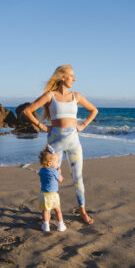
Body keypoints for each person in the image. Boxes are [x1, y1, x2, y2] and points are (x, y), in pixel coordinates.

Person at [23, 65, 98, 224]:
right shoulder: (50, 95)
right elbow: (28, 110)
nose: (74, 79)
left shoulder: (76, 96)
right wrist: (42, 126)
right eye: (72, 76)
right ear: (62, 77)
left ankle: (82, 210)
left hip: (74, 144)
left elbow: (94, 110)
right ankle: (47, 211)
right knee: (51, 178)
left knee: (78, 178)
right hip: (54, 145)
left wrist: (83, 125)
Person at [38, 144, 67, 232]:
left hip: (44, 194)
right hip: (53, 195)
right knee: (58, 210)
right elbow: (60, 180)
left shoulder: (41, 171)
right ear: (50, 163)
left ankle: (46, 226)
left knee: (45, 211)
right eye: (57, 162)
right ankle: (61, 225)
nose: (58, 163)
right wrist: (59, 173)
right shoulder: (55, 172)